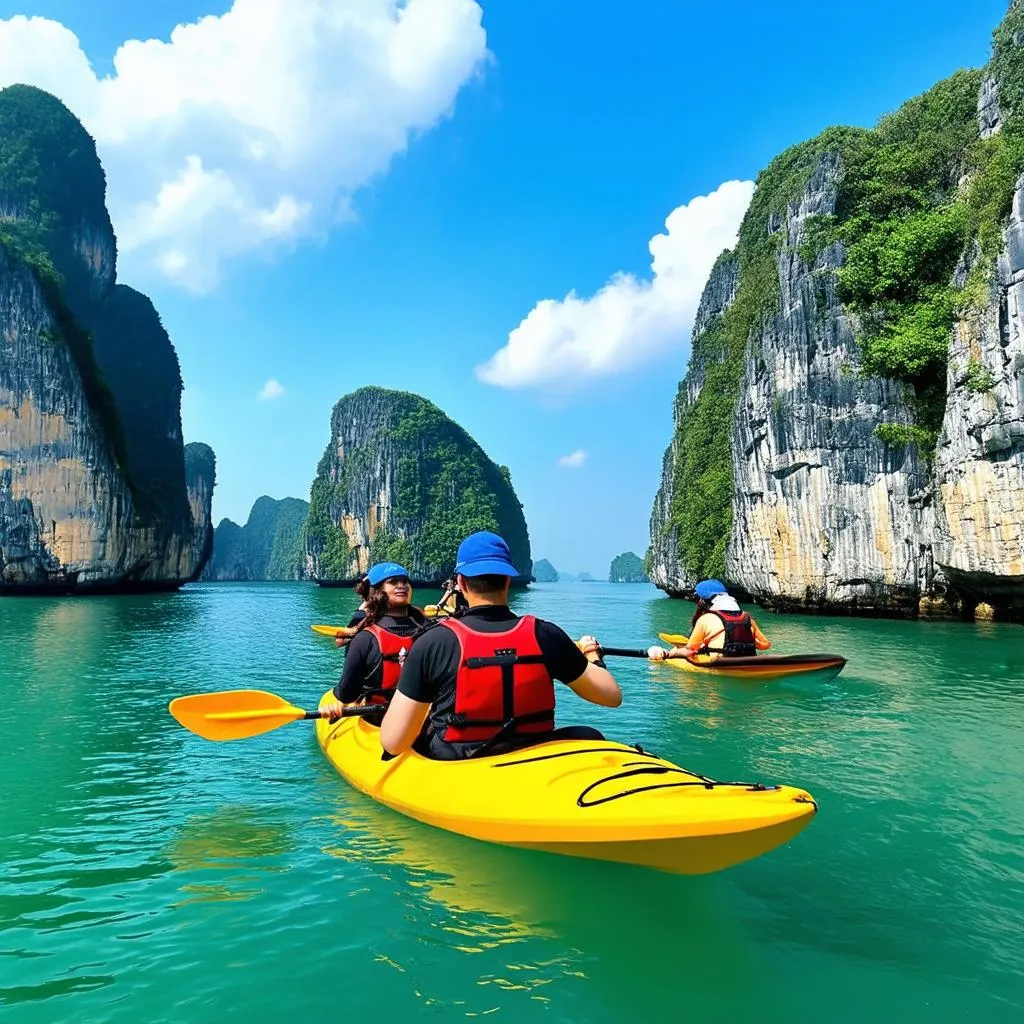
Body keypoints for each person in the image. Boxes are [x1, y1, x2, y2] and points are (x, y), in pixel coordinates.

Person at [379, 531, 622, 760]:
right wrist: (593, 655)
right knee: (587, 733)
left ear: (461, 583)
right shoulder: (545, 634)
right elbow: (611, 696)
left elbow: (393, 742)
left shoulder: (432, 642)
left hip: (461, 758)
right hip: (534, 749)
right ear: (507, 580)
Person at [320, 562, 427, 711]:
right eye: (393, 582)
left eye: (405, 581)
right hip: (421, 717)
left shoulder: (364, 638)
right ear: (378, 591)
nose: (402, 585)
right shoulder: (429, 630)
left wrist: (336, 700)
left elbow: (347, 694)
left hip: (377, 717)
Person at [649, 579, 771, 662]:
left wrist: (669, 654)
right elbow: (765, 645)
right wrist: (741, 641)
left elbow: (689, 651)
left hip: (720, 665)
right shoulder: (747, 617)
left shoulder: (705, 619)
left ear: (703, 601)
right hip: (749, 662)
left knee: (679, 652)